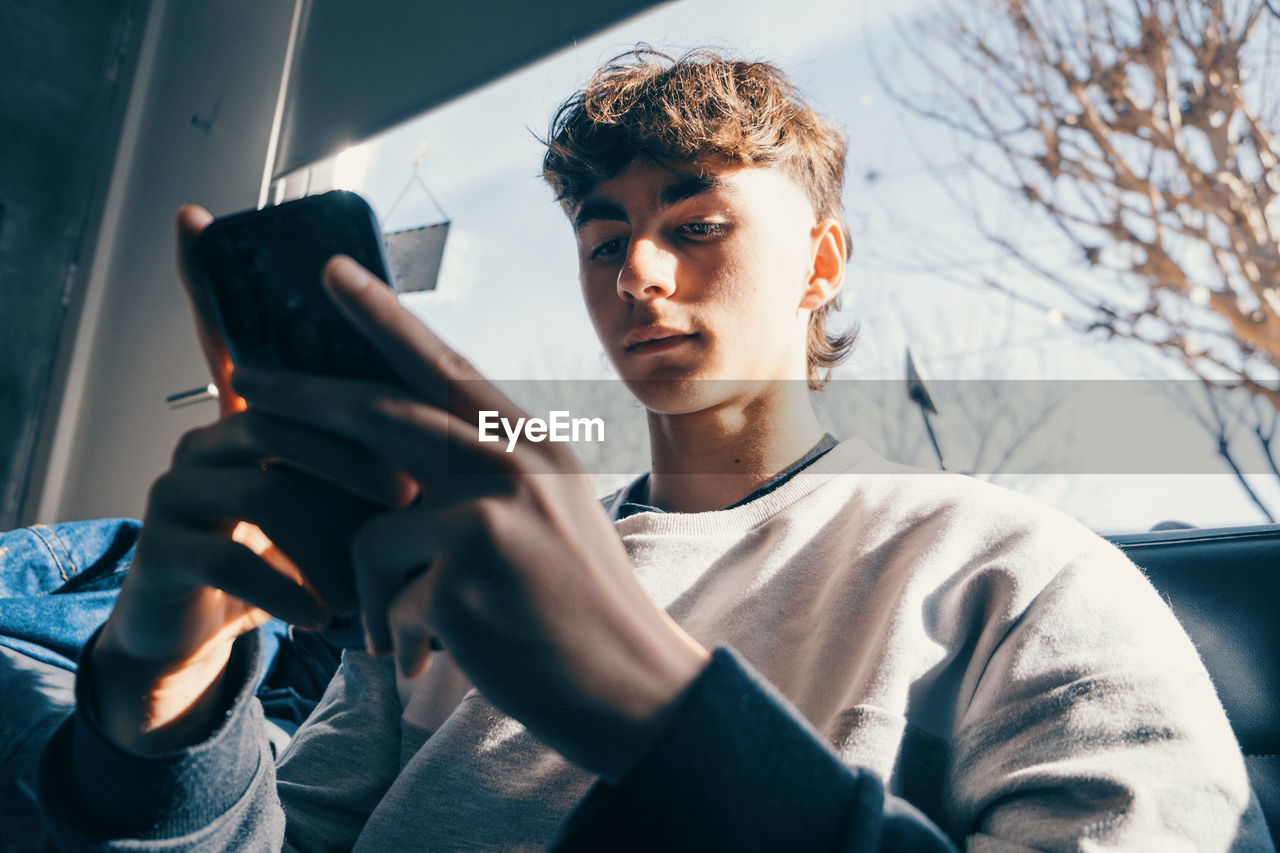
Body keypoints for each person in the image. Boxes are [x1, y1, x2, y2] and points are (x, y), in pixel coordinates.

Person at [29, 48, 1271, 851]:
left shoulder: (1012, 567)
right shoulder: (461, 564)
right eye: (604, 238)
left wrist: (652, 708)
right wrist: (158, 712)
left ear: (821, 263)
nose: (642, 272)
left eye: (697, 222)